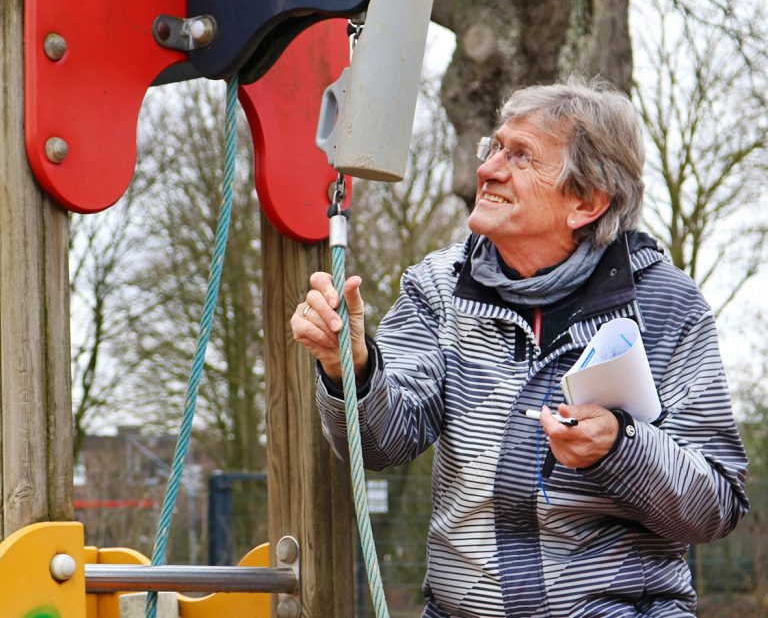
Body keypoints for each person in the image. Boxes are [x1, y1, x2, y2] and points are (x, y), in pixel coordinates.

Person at [290, 78, 749, 617]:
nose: (487, 169)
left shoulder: (667, 306)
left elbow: (716, 505)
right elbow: (380, 445)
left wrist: (620, 448)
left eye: (521, 156)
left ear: (586, 201)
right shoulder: (439, 285)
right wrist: (353, 368)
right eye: (494, 147)